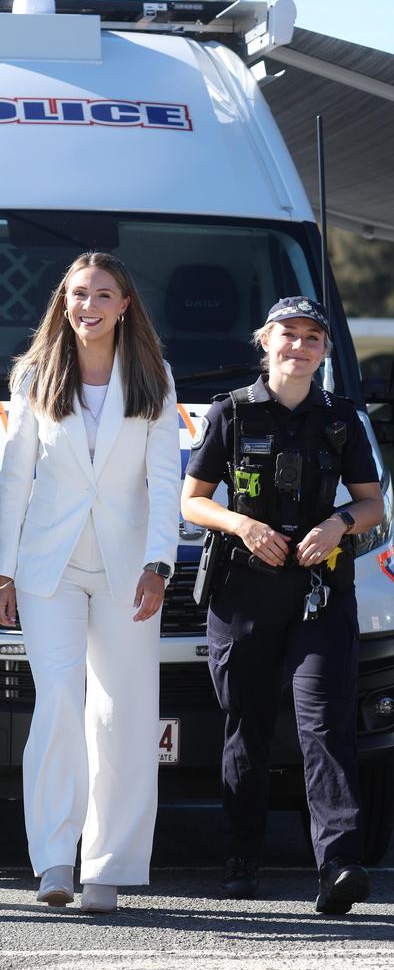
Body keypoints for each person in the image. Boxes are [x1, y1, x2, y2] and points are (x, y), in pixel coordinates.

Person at [0, 252, 181, 913]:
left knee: (121, 715)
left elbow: (165, 482)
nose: (89, 304)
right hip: (51, 568)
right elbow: (17, 478)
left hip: (131, 572)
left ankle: (109, 866)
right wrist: (3, 570)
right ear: (63, 303)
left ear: (126, 304)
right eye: (78, 294)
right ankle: (54, 861)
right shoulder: (37, 376)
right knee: (61, 705)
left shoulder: (155, 377)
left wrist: (161, 565)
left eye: (103, 293)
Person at [181, 296, 384, 914]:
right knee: (246, 723)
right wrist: (243, 526)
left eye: (312, 339)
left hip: (319, 593)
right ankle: (242, 859)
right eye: (287, 336)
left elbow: (373, 502)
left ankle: (338, 866)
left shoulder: (342, 419)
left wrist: (339, 524)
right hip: (243, 593)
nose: (299, 348)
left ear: (324, 351)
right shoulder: (230, 414)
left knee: (324, 723)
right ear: (264, 342)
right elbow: (192, 501)